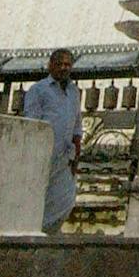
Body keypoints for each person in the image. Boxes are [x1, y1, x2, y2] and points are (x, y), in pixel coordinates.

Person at [21, 48, 82, 234]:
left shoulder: (74, 92)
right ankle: (33, 231)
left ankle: (47, 232)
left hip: (65, 156)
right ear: (50, 66)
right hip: (43, 153)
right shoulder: (38, 90)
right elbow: (33, 123)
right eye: (60, 64)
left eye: (67, 64)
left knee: (66, 198)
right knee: (38, 196)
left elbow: (77, 125)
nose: (64, 68)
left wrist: (76, 155)